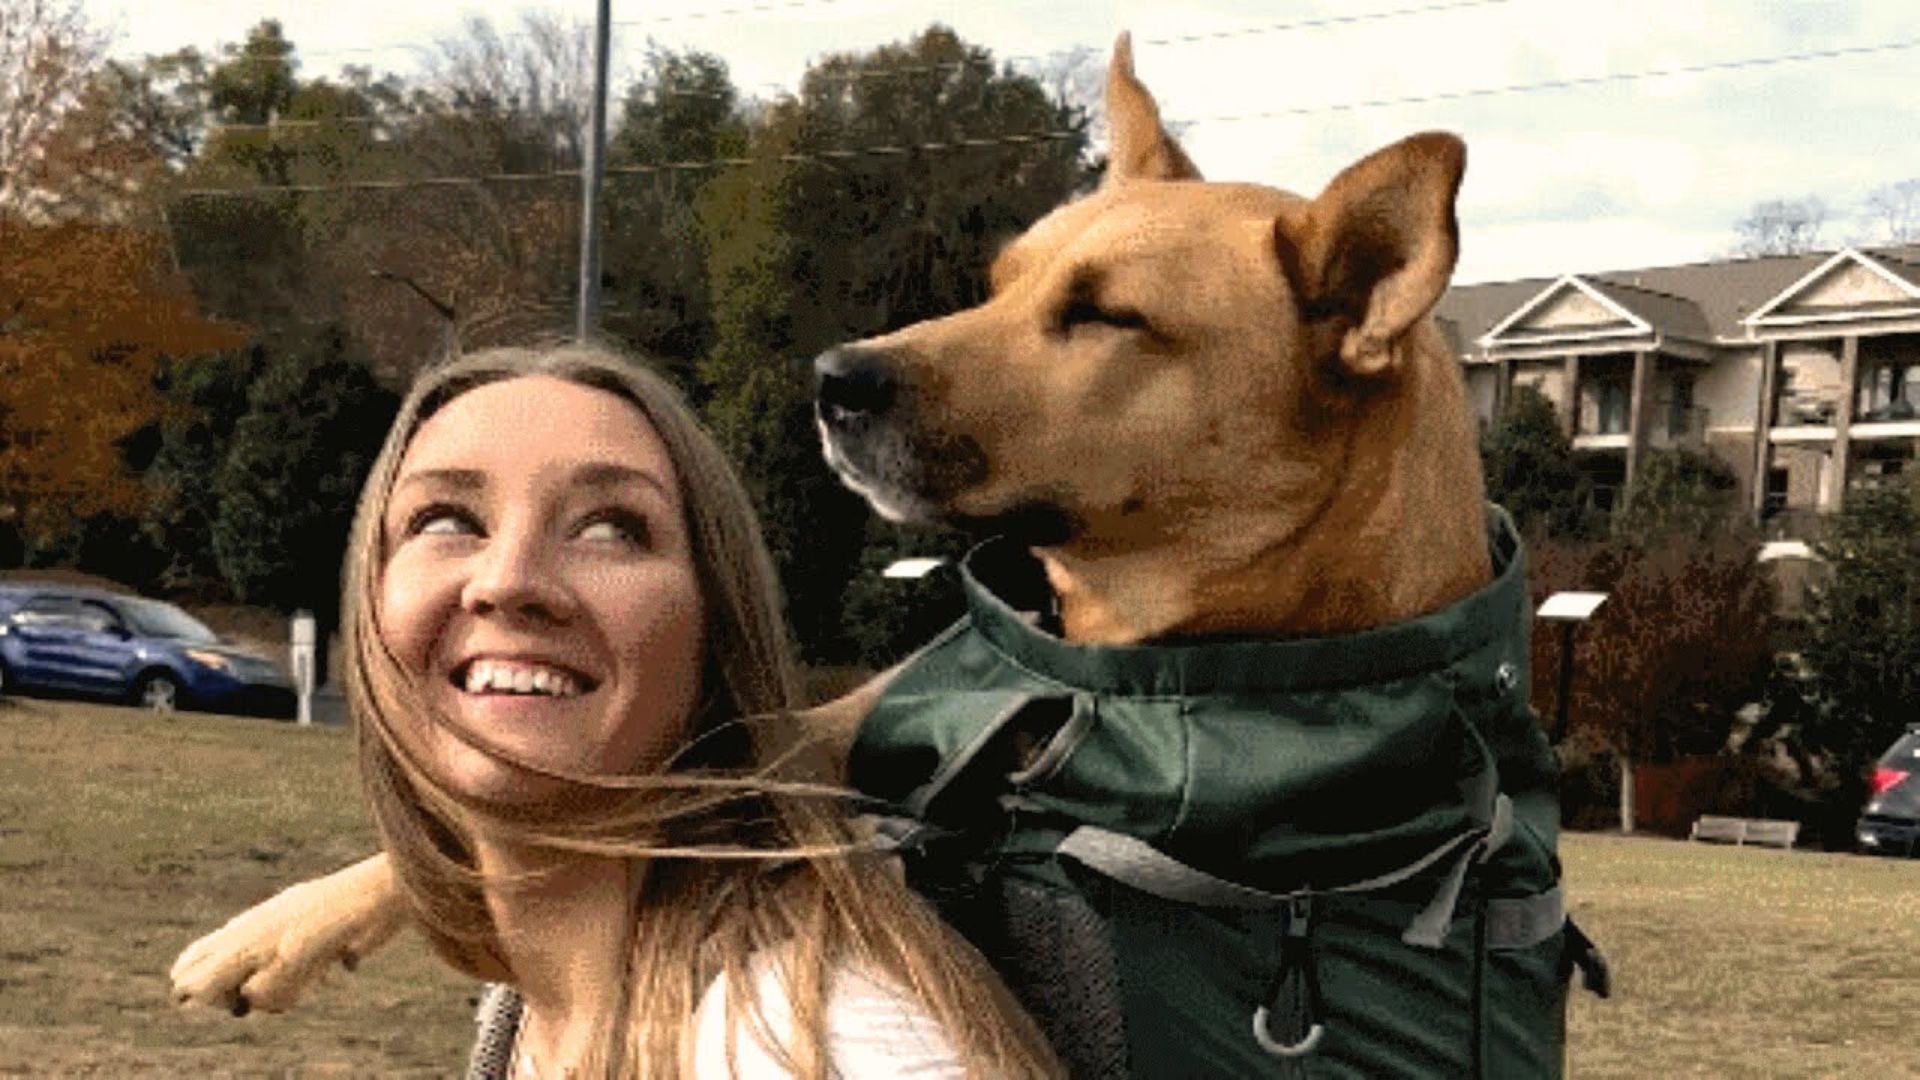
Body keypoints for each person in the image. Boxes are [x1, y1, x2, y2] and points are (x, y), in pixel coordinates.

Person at [340, 341, 1058, 1078]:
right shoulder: (531, 1008)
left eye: (609, 529)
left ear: (716, 640)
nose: (509, 578)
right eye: (444, 520)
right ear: (368, 608)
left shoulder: (804, 1040)